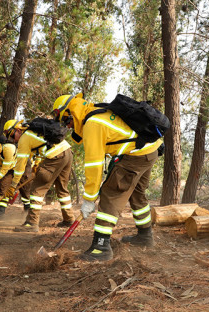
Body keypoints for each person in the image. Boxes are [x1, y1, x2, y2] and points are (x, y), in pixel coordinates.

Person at [52, 93, 162, 261]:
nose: (68, 126)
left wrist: (89, 198)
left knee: (111, 193)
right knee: (136, 193)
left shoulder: (92, 124)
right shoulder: (97, 111)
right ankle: (145, 236)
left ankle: (101, 247)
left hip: (137, 154)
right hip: (150, 150)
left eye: (66, 121)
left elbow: (94, 165)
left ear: (70, 112)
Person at [3, 119, 75, 232]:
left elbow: (20, 167)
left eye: (12, 135)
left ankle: (31, 223)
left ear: (17, 130)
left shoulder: (24, 139)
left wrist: (13, 185)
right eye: (10, 138)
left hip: (55, 156)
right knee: (62, 188)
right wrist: (37, 165)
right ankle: (69, 219)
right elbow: (41, 149)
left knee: (37, 189)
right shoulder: (34, 132)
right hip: (67, 152)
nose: (13, 139)